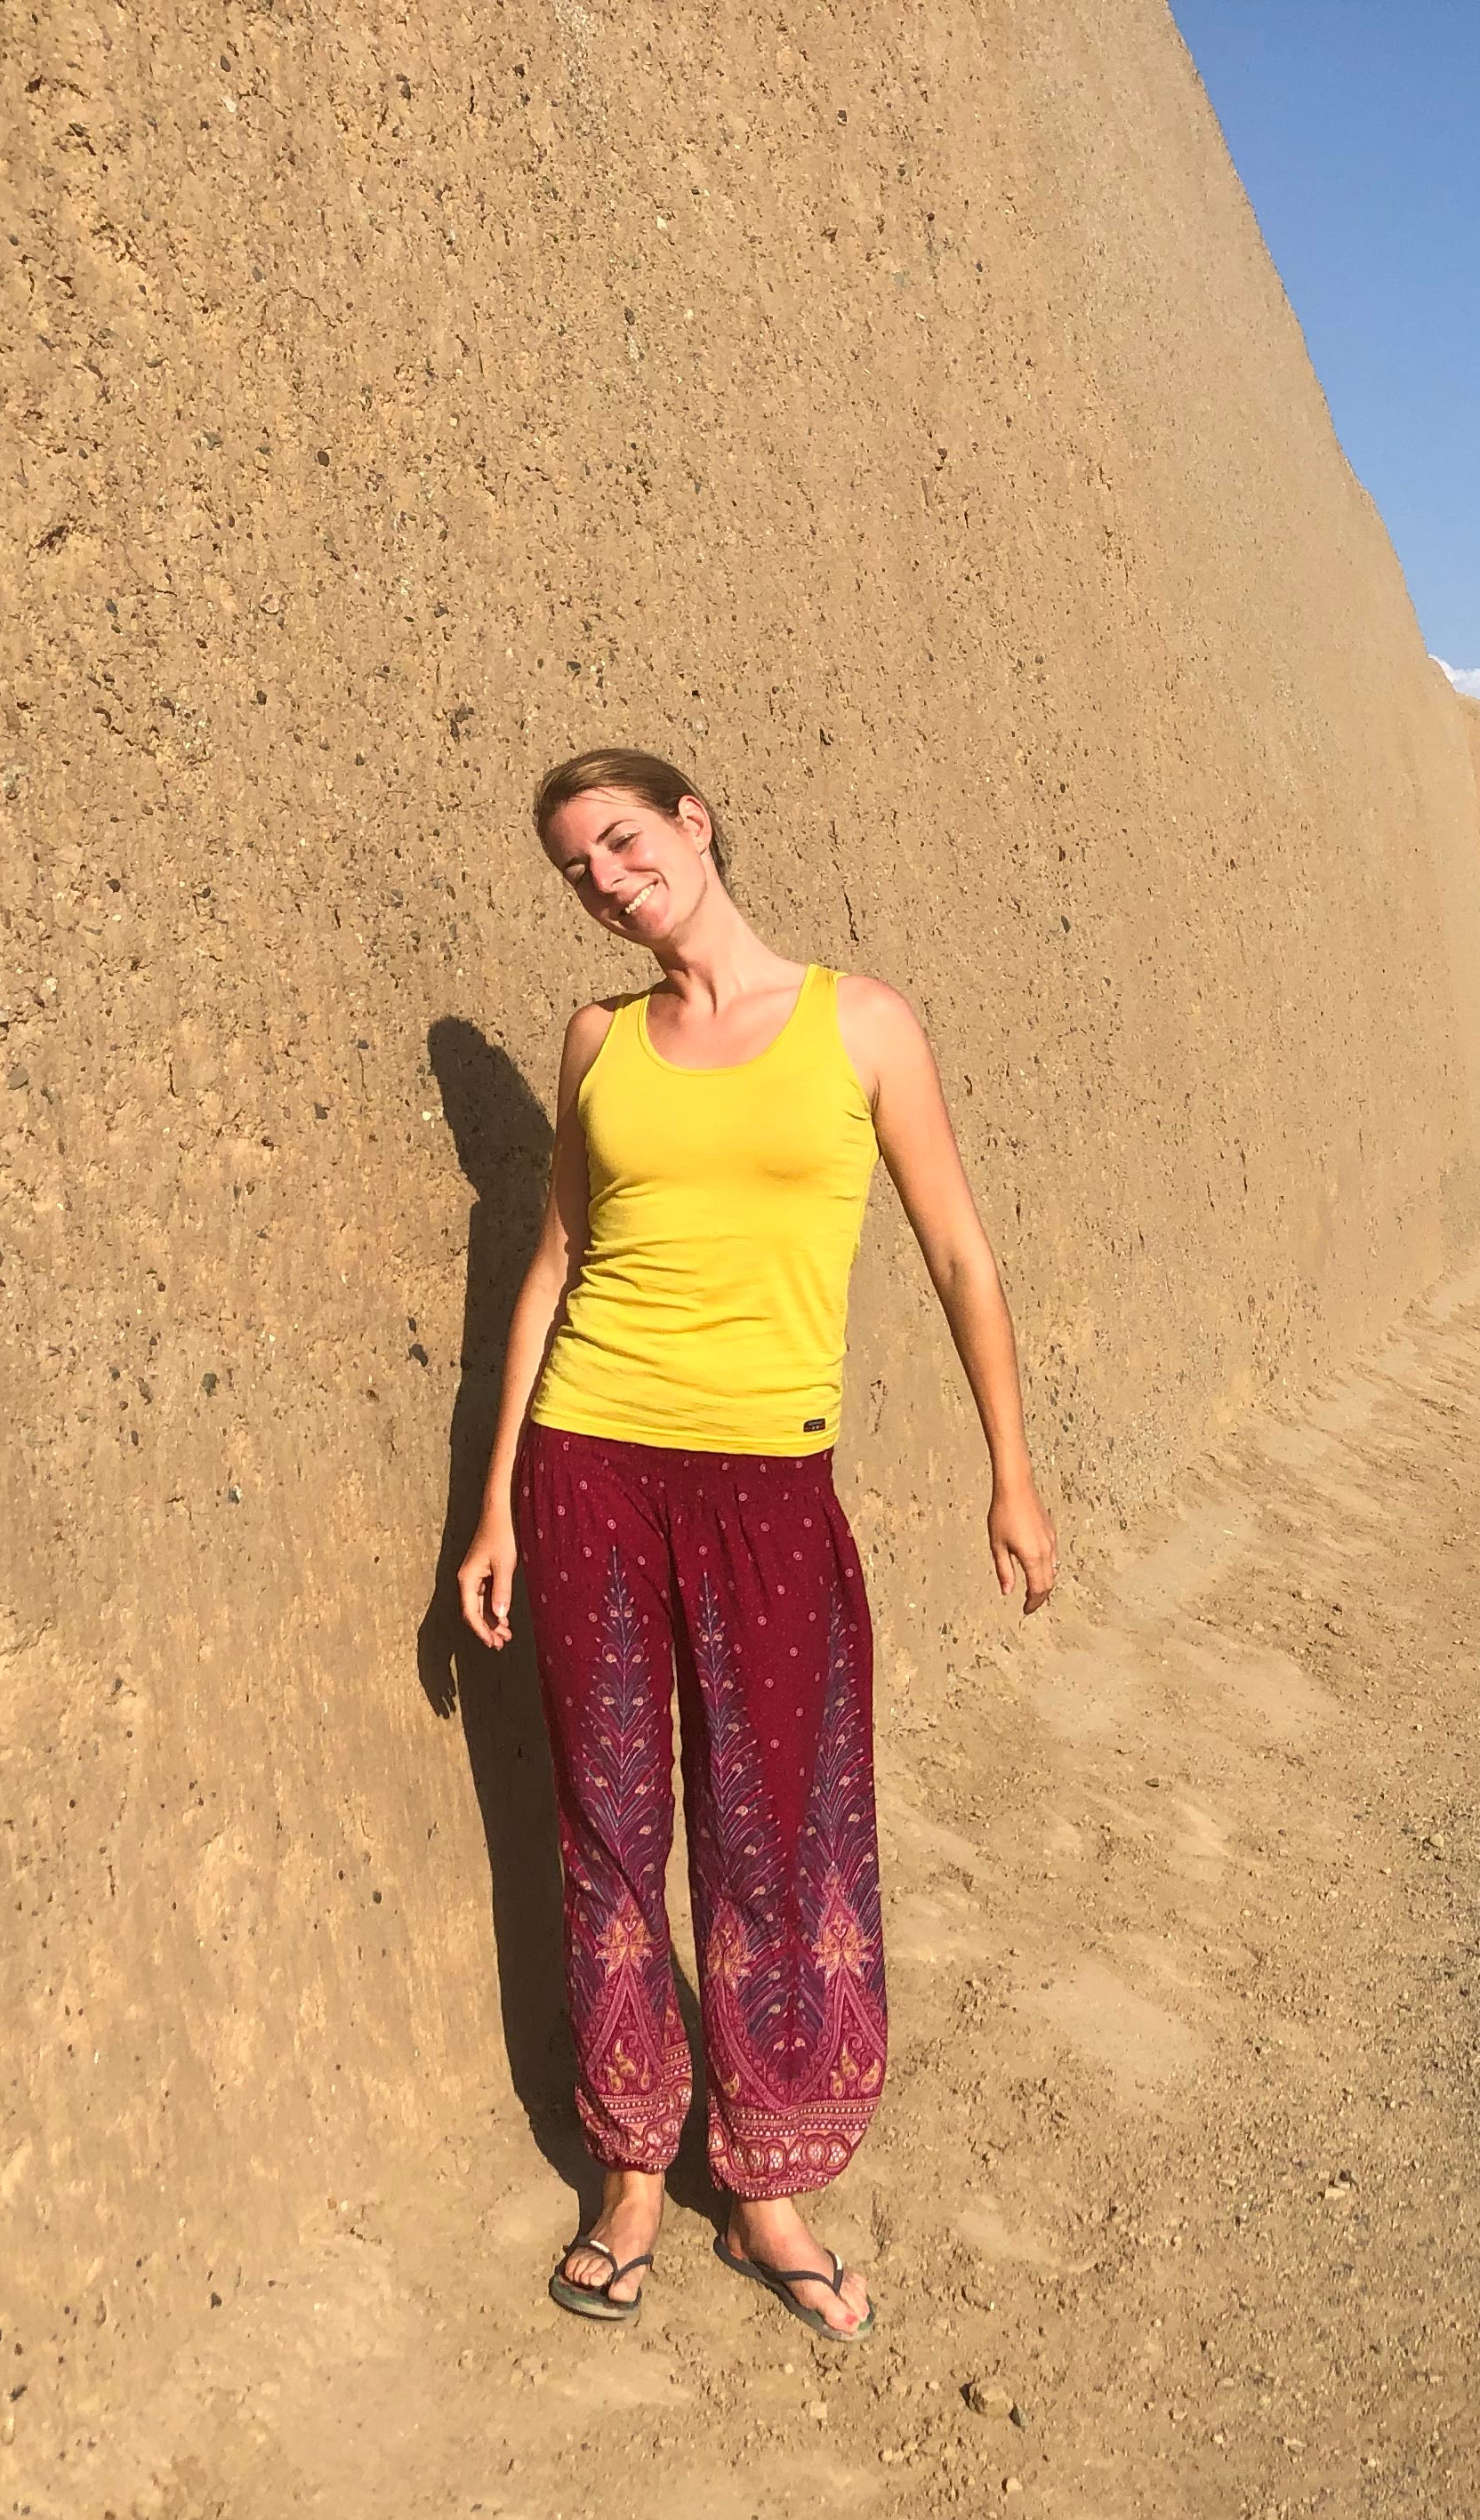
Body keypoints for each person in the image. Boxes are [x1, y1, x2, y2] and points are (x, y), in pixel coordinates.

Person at [456, 747, 1056, 2344]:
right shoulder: (596, 1039)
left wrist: (1013, 1468)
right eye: (578, 867)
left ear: (696, 825)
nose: (606, 877)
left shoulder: (862, 1022)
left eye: (625, 841)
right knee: (605, 1821)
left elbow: (954, 1248)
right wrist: (499, 1493)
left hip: (772, 1488)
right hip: (593, 1467)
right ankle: (635, 2168)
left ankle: (767, 2181)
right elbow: (556, 1266)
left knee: (773, 1831)